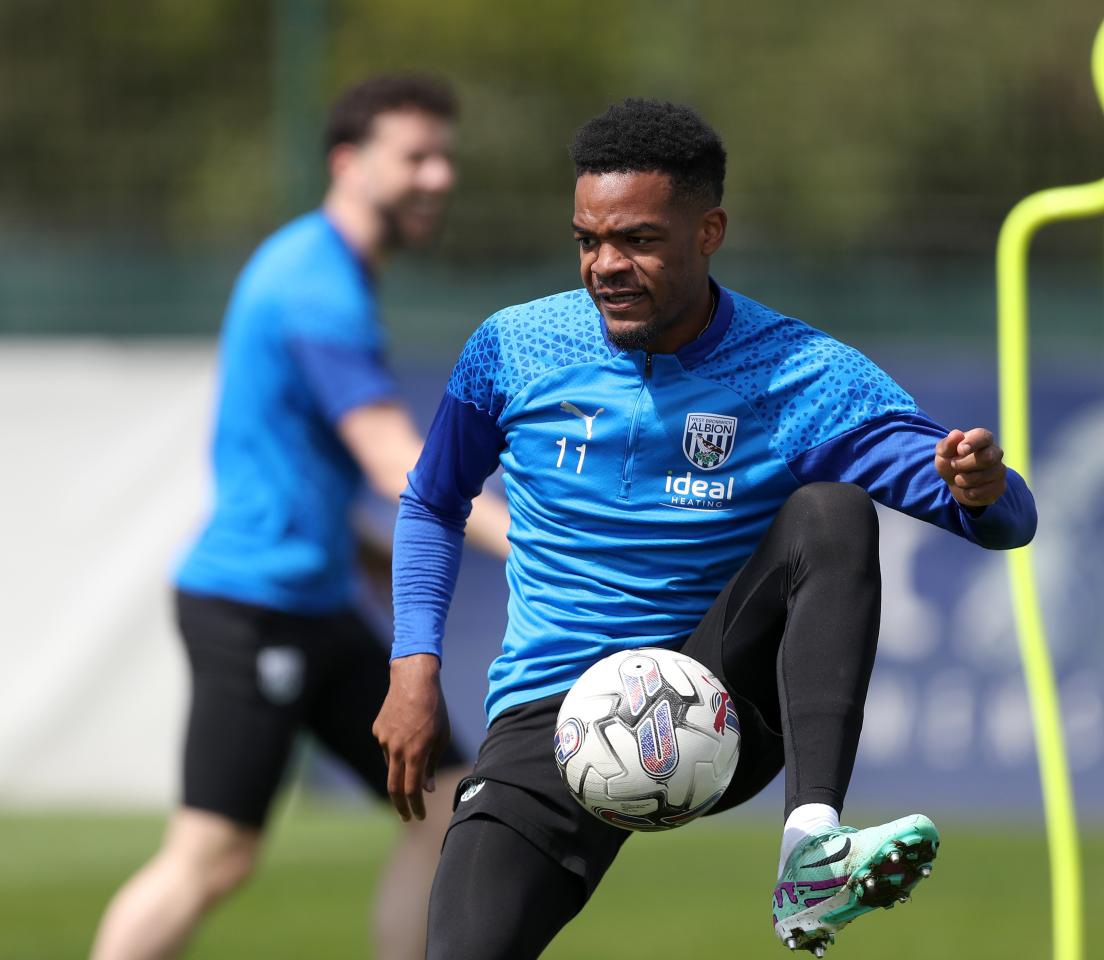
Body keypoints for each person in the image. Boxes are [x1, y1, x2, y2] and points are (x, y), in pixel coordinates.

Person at [375, 98, 1037, 959]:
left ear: (709, 231)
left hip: (720, 696)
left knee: (830, 511)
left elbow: (1006, 519)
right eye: (588, 240)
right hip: (555, 709)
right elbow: (433, 501)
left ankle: (812, 853)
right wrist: (414, 666)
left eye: (638, 240)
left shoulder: (798, 373)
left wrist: (981, 488)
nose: (606, 266)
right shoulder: (512, 348)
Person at [91, 74, 508, 960]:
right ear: (348, 163)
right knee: (210, 857)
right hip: (255, 609)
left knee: (447, 803)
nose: (439, 177)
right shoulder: (317, 288)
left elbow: (289, 463)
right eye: (416, 157)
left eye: (445, 158)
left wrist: (360, 553)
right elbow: (396, 461)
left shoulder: (324, 270)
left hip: (312, 603)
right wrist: (544, 540)